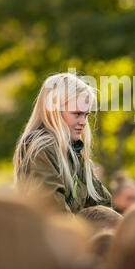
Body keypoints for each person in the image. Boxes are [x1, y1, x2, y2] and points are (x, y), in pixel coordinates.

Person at [14, 72, 112, 213]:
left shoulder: (76, 154)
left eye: (86, 115)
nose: (84, 122)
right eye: (77, 114)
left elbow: (104, 206)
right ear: (53, 111)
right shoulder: (43, 149)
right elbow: (54, 212)